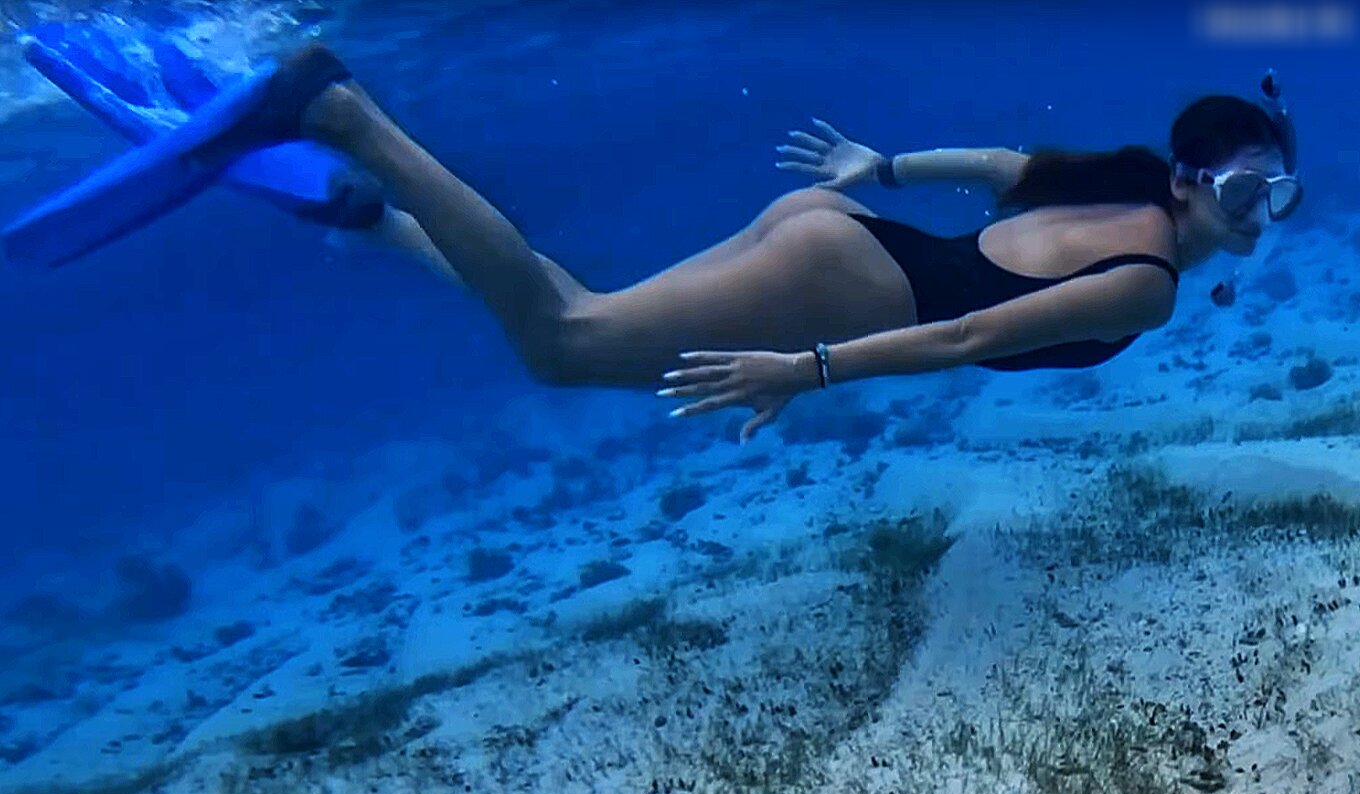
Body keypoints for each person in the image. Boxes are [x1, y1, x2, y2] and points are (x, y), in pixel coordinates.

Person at [8, 45, 1302, 443]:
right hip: (848, 279)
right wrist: (804, 371)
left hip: (843, 234)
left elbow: (1005, 164)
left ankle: (363, 217)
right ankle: (344, 114)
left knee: (573, 301)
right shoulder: (1146, 286)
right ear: (1193, 178)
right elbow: (965, 333)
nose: (1259, 214)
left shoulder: (1123, 178)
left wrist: (879, 167)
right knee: (564, 344)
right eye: (1249, 189)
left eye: (1279, 197)